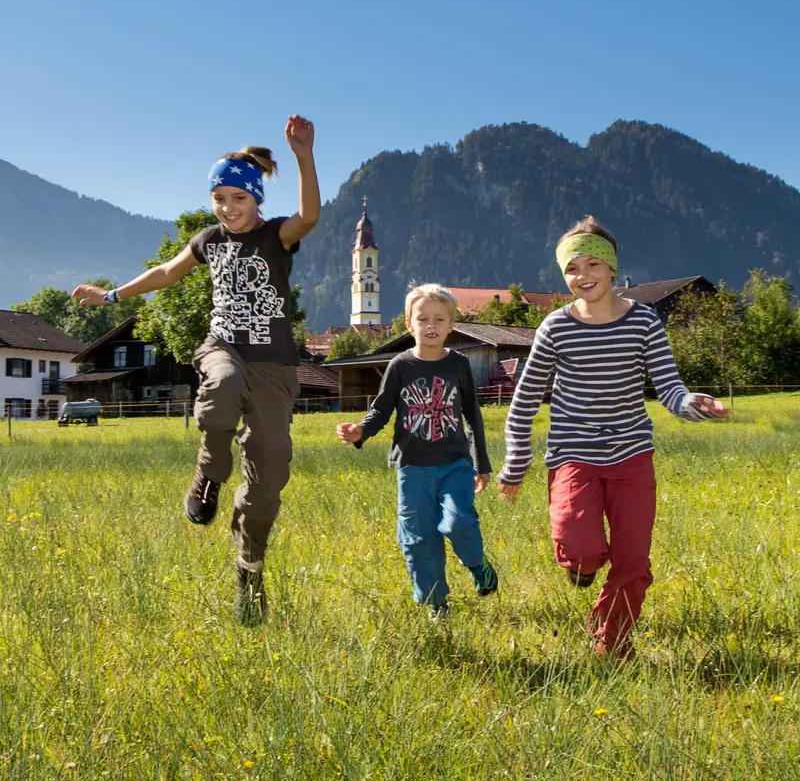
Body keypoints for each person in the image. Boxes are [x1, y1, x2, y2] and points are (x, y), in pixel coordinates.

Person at [72, 116, 319, 624]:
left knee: (270, 474)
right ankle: (208, 474)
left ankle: (249, 568)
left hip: (274, 366)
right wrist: (112, 294)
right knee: (222, 385)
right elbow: (166, 272)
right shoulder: (208, 240)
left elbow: (310, 215)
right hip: (223, 346)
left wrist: (303, 155)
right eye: (219, 198)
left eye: (239, 199)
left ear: (256, 200)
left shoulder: (278, 237)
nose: (228, 208)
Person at [497, 216, 728, 657]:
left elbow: (669, 387)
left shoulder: (643, 322)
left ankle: (612, 641)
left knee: (633, 561)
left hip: (631, 454)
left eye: (592, 265)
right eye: (571, 269)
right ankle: (580, 566)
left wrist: (692, 404)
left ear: (612, 267)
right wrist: (514, 462)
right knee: (581, 548)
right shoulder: (555, 328)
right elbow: (524, 401)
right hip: (573, 455)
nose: (582, 276)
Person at [337, 284, 498, 616]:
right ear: (409, 324)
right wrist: (360, 431)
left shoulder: (459, 365)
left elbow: (472, 415)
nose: (431, 325)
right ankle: (437, 604)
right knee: (419, 539)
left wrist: (481, 463)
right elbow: (381, 410)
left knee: (458, 524)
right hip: (412, 468)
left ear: (451, 324)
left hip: (455, 465)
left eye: (440, 319)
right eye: (422, 318)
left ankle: (477, 563)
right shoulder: (400, 366)